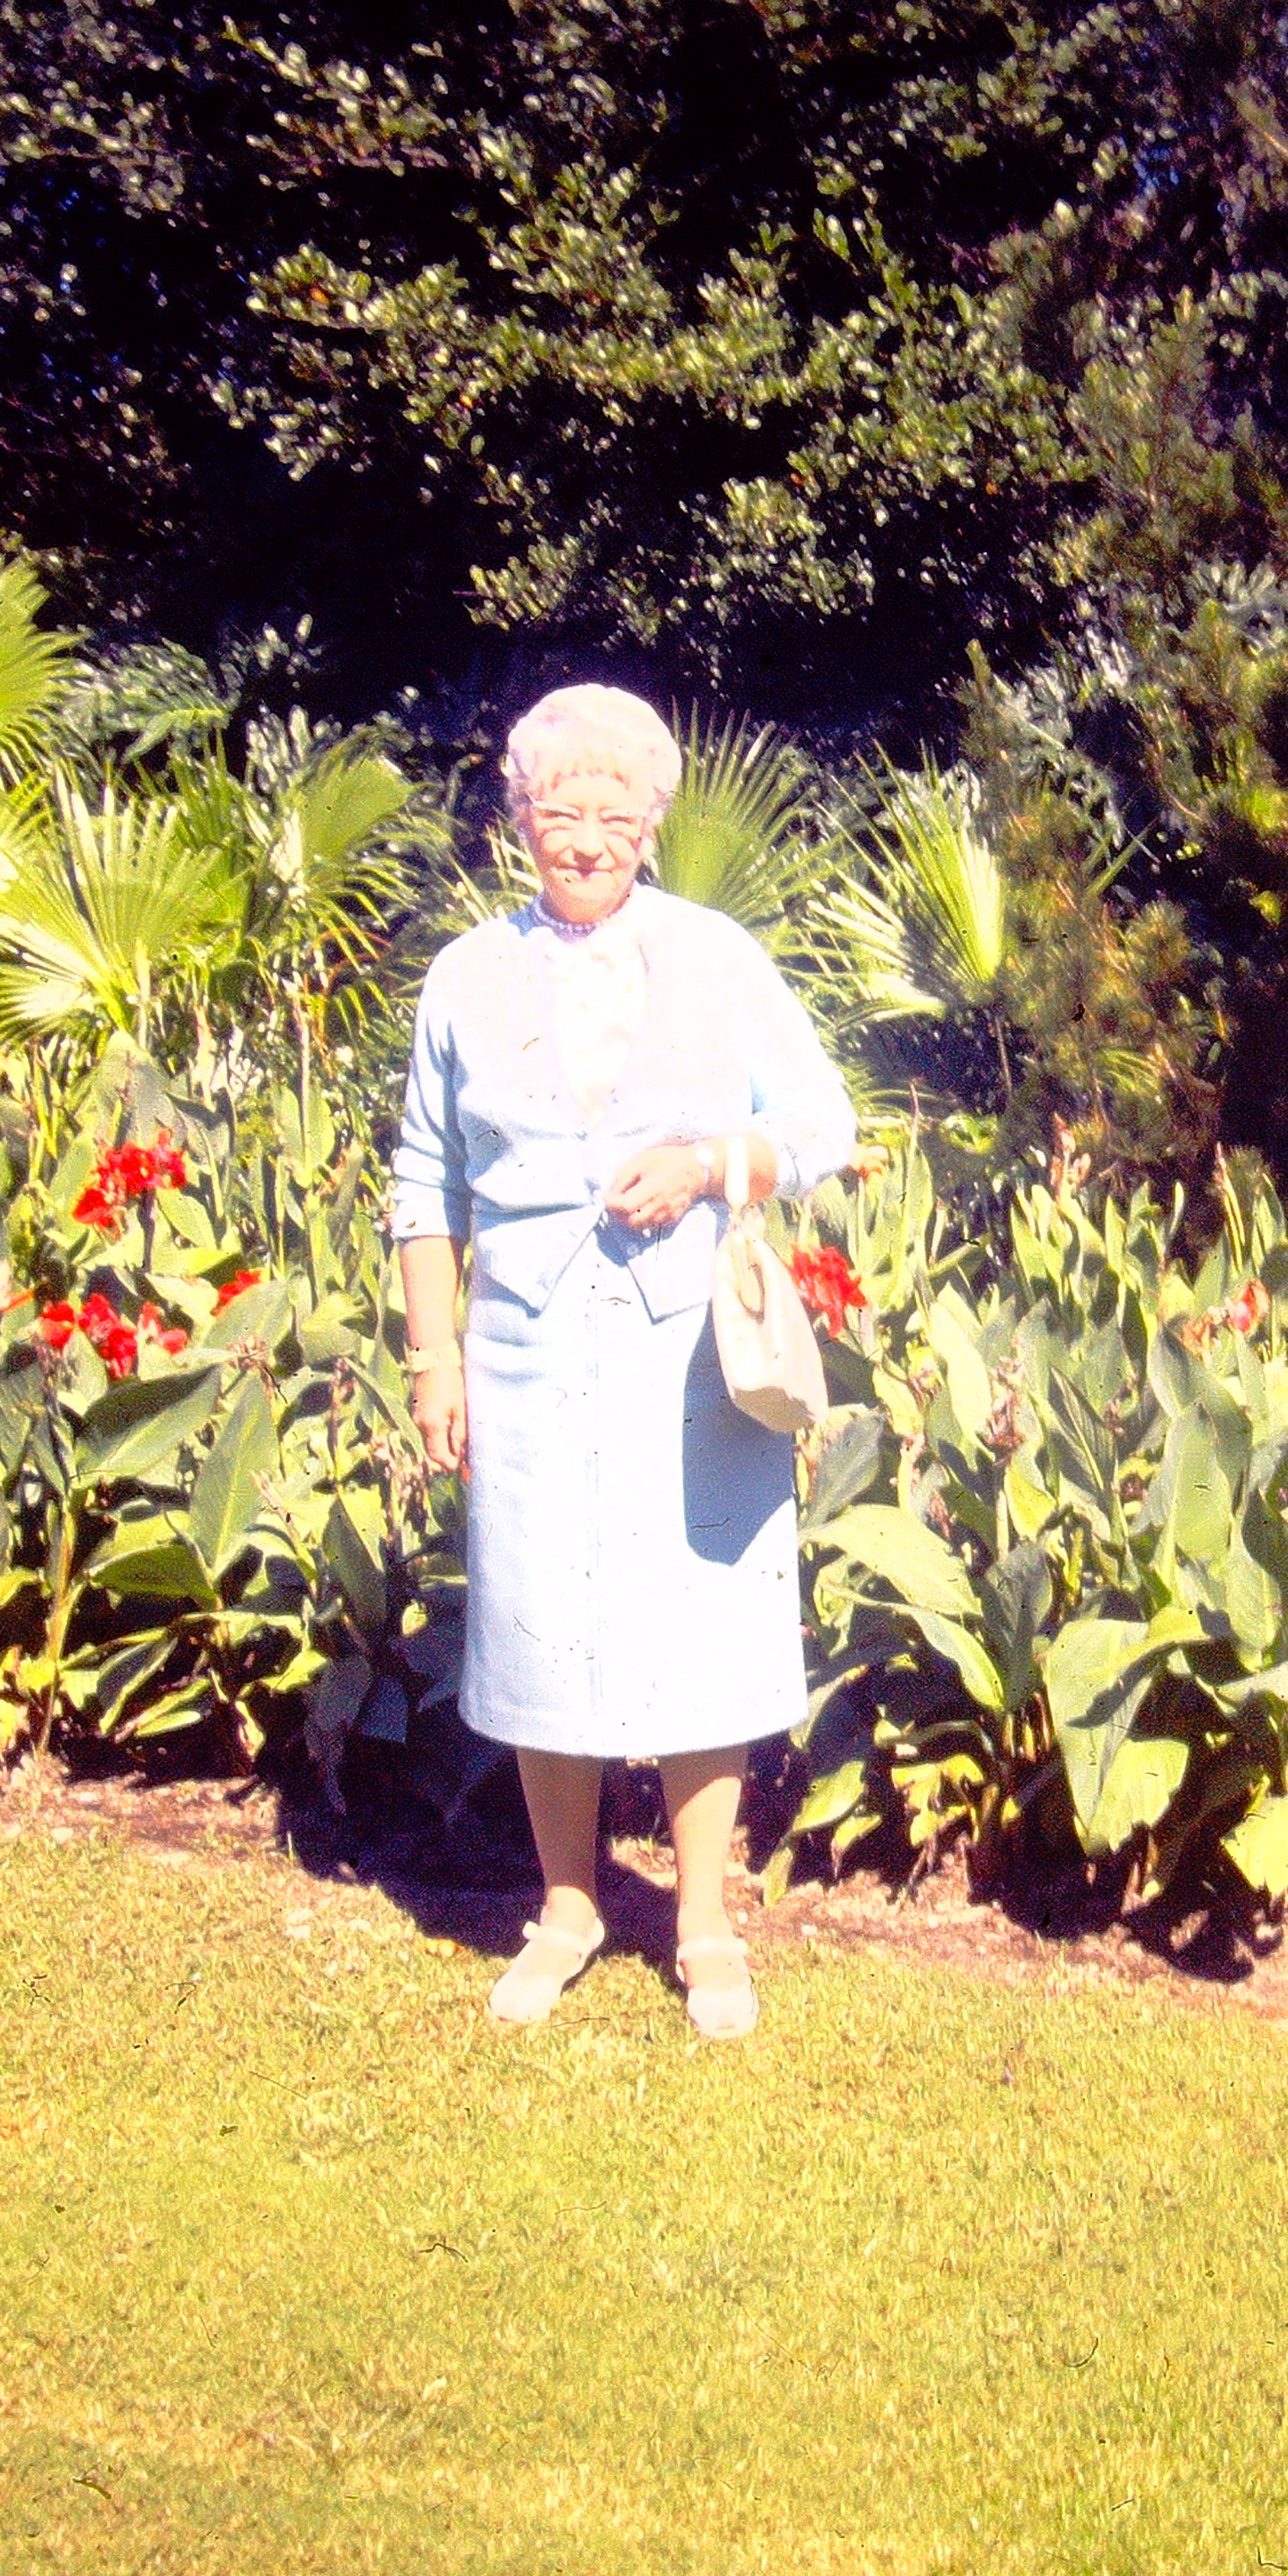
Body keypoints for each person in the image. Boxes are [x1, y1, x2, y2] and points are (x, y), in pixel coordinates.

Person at [388, 683, 855, 2035]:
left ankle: (704, 1920)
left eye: (612, 813)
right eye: (558, 810)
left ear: (651, 822)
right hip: (524, 1353)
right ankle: (571, 1905)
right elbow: (425, 1181)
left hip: (690, 1365)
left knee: (702, 1623)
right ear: (517, 818)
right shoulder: (465, 977)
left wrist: (715, 1160)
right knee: (541, 1624)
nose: (584, 837)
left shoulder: (717, 957)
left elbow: (821, 1122)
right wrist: (436, 1359)